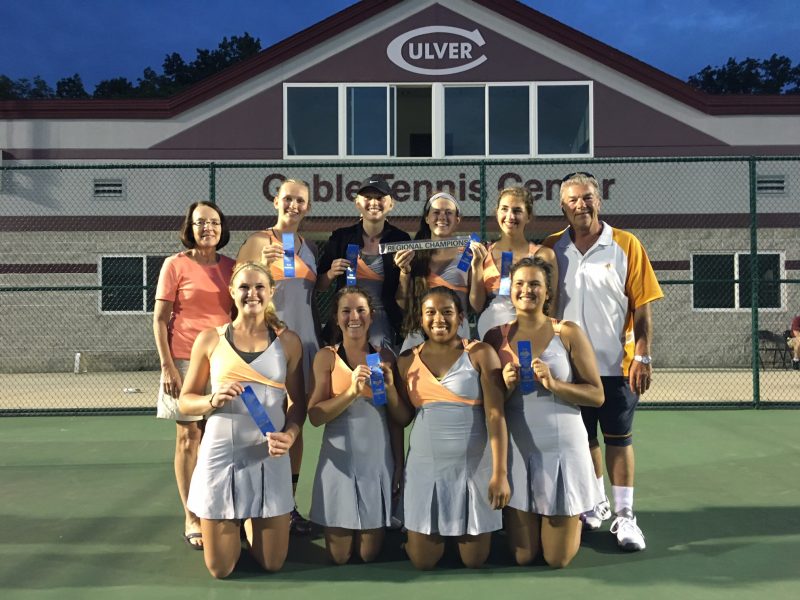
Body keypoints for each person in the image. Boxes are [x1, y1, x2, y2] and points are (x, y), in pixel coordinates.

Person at [544, 172, 663, 552]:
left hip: (616, 366)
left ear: (600, 200)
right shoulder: (549, 248)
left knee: (618, 439)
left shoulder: (626, 244)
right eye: (573, 200)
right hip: (568, 370)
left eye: (588, 197)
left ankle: (625, 517)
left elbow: (642, 306)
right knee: (582, 440)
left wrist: (642, 354)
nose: (581, 205)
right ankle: (595, 502)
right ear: (562, 206)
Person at [178, 261, 305, 578]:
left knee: (273, 563)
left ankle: (251, 516)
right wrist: (210, 399)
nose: (252, 293)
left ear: (271, 292)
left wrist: (289, 434)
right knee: (221, 569)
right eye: (245, 287)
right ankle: (235, 516)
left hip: (268, 455)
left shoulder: (288, 342)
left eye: (260, 286)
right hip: (222, 456)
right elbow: (185, 400)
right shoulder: (210, 339)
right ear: (232, 292)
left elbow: (298, 403)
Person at [485, 257, 604, 568]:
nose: (527, 290)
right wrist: (507, 386)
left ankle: (575, 509)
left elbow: (596, 395)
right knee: (524, 557)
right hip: (518, 451)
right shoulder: (494, 337)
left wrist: (555, 384)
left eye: (535, 284)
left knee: (557, 559)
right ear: (510, 290)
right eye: (520, 284)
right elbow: (490, 402)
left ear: (547, 292)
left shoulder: (567, 332)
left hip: (563, 448)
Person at [396, 287, 509, 570]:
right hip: (425, 468)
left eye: (447, 312)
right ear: (420, 319)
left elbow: (495, 415)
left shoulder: (481, 353)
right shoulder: (407, 359)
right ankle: (417, 533)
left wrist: (499, 474)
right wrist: (387, 387)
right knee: (422, 562)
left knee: (474, 560)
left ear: (460, 317)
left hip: (473, 468)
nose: (439, 319)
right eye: (430, 313)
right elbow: (402, 418)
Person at [153, 201, 235, 551]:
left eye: (214, 222)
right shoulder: (175, 265)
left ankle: (221, 510)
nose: (207, 228)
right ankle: (191, 516)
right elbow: (159, 319)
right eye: (200, 222)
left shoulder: (233, 267)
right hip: (184, 361)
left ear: (222, 228)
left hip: (222, 361)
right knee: (189, 439)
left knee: (219, 440)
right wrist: (168, 366)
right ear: (190, 227)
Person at [307, 287, 411, 564]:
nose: (354, 317)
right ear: (337, 318)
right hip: (338, 461)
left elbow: (400, 419)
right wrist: (351, 392)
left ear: (371, 315)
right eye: (346, 311)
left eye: (361, 310)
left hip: (376, 461)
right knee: (339, 557)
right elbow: (315, 417)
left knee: (367, 555)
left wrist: (398, 465)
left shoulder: (386, 357)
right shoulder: (326, 358)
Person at [236, 178, 317, 533]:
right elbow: (237, 293)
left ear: (308, 207)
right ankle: (246, 502)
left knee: (294, 423)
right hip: (267, 345)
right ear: (275, 202)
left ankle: (289, 505)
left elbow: (306, 294)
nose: (294, 205)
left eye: (300, 200)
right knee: (257, 421)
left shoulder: (307, 247)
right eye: (288, 199)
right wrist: (263, 267)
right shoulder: (257, 241)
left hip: (303, 343)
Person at [316, 177, 410, 350]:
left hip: (383, 321)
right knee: (345, 369)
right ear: (357, 204)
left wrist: (405, 272)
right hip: (347, 319)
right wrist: (330, 273)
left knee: (378, 371)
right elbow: (320, 285)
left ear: (391, 204)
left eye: (380, 197)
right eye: (367, 197)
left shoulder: (401, 239)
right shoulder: (341, 238)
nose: (374, 202)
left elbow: (405, 294)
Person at [395, 191, 485, 352]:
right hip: (419, 334)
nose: (442, 217)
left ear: (457, 219)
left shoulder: (468, 252)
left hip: (456, 333)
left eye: (448, 213)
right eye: (436, 212)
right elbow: (403, 304)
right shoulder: (413, 254)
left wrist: (477, 266)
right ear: (427, 218)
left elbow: (476, 306)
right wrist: (404, 272)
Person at [475, 186, 558, 340]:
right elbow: (477, 305)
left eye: (517, 211)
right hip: (490, 335)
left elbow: (551, 305)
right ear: (497, 212)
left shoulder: (544, 255)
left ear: (528, 216)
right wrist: (476, 268)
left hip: (531, 336)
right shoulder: (483, 253)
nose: (510, 216)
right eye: (504, 209)